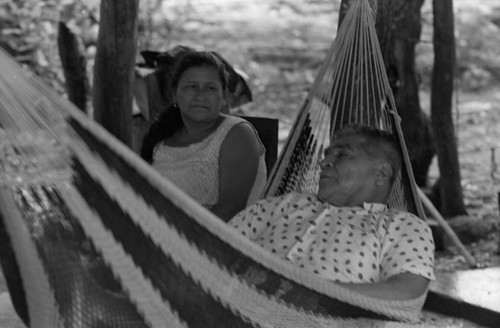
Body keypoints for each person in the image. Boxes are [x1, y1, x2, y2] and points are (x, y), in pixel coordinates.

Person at [229, 124, 435, 301]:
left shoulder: (402, 226)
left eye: (342, 154)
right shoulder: (282, 205)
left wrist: (310, 295)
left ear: (381, 173)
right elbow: (217, 244)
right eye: (327, 154)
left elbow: (407, 293)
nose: (323, 162)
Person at [140, 51, 266, 222]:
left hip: (214, 241)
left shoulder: (236, 134)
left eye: (210, 88)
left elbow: (230, 211)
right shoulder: (161, 142)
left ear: (224, 97)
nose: (200, 95)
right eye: (191, 87)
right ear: (175, 95)